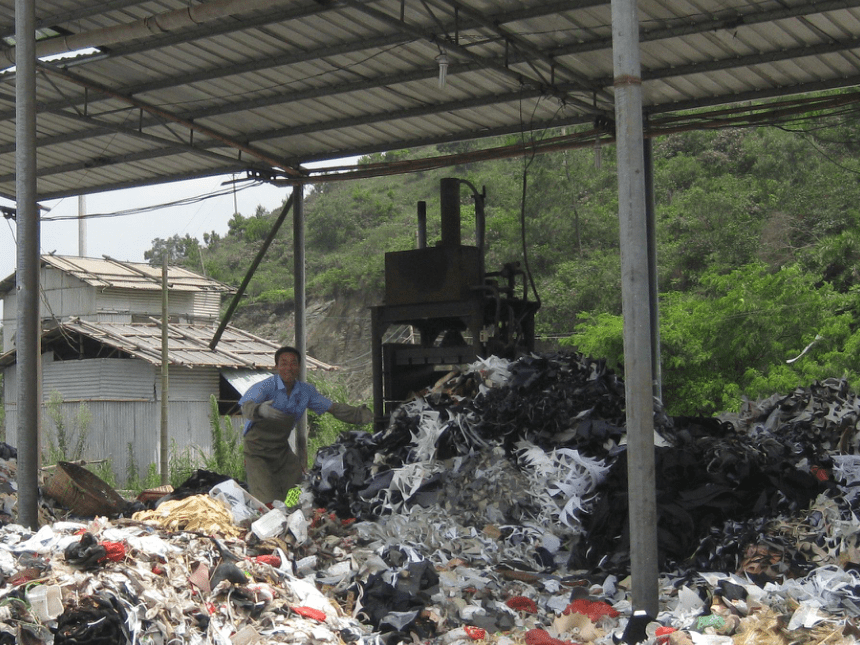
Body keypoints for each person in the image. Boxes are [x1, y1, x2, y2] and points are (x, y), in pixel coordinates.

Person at [239, 345, 372, 504]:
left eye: (293, 363)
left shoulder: (305, 392)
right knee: (266, 496)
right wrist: (259, 409)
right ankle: (268, 521)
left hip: (281, 450)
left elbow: (333, 408)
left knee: (296, 486)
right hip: (257, 451)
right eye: (284, 363)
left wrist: (361, 415)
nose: (289, 368)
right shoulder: (266, 386)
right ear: (276, 367)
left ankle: (292, 515)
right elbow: (245, 405)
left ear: (299, 367)